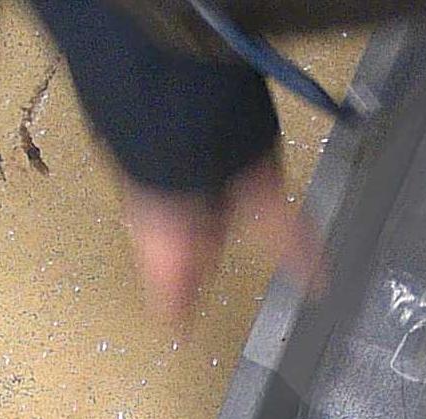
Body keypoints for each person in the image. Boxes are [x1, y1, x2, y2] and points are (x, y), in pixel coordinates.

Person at [26, 0, 354, 322]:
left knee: (183, 245)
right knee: (264, 204)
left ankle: (332, 301)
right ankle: (335, 297)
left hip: (154, 98)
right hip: (198, 63)